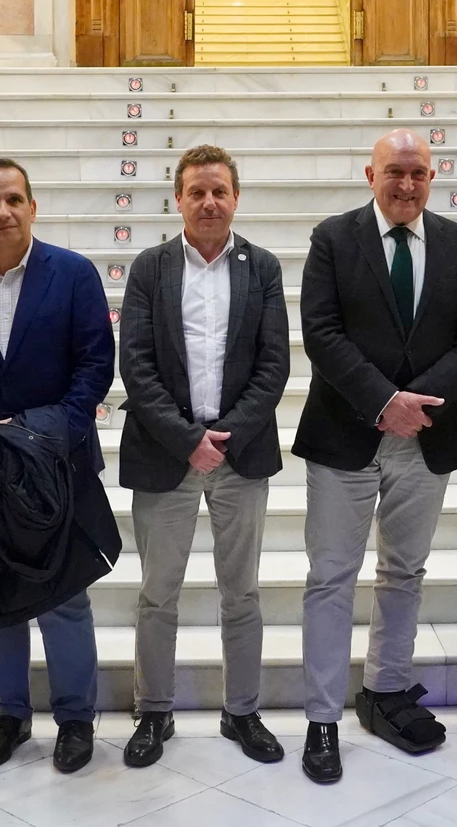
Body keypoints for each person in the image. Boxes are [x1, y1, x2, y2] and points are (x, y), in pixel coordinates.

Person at [294, 128, 457, 783]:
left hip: (428, 436)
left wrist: (420, 400)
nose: (406, 184)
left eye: (418, 173)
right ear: (370, 173)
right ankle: (322, 717)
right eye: (394, 172)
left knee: (404, 570)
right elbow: (321, 332)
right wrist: (383, 400)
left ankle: (384, 691)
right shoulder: (333, 237)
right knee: (331, 577)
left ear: (432, 176)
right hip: (346, 433)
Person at [0, 158, 116, 774]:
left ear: (33, 207)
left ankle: (75, 718)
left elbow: (95, 365)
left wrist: (43, 436)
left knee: (63, 596)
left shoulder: (72, 274)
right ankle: (9, 714)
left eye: (14, 199)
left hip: (58, 463)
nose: (3, 212)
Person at [117, 146, 291, 768]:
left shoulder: (262, 267)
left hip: (239, 456)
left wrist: (225, 436)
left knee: (240, 592)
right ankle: (154, 711)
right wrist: (186, 439)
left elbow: (275, 365)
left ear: (236, 197)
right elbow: (135, 364)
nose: (209, 202)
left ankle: (242, 710)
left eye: (219, 191)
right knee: (158, 593)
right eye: (197, 191)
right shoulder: (151, 267)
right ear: (178, 200)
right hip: (168, 455)